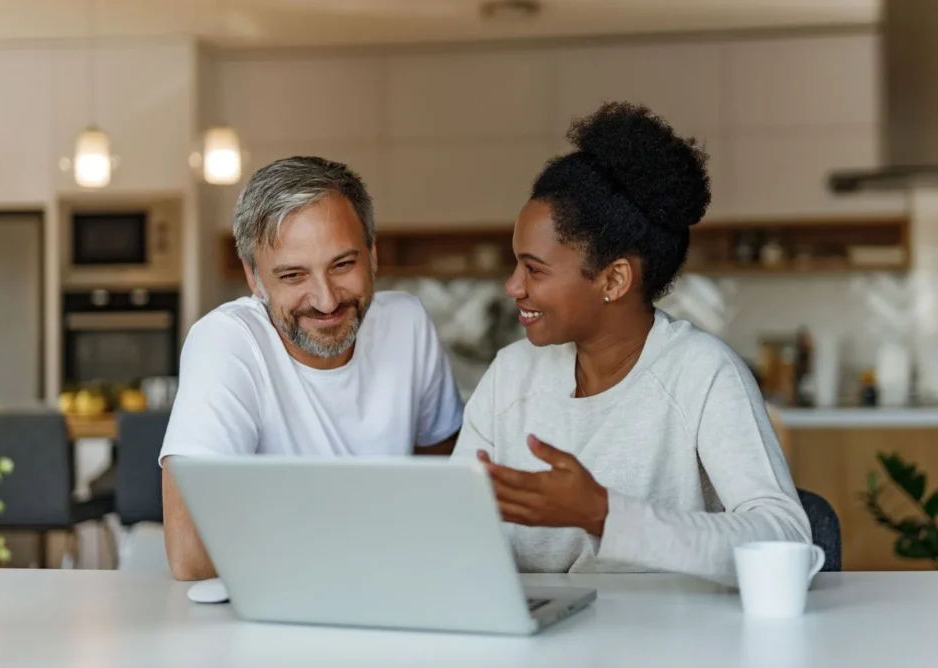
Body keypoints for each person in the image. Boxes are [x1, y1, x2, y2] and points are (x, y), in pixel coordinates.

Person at [451, 102, 811, 586]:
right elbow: (455, 531)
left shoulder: (702, 374)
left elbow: (785, 539)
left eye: (533, 269)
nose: (512, 286)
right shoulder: (511, 374)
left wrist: (605, 515)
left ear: (614, 278)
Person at [160, 156, 464, 581]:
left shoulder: (407, 323)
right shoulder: (226, 342)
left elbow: (446, 490)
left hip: (392, 595)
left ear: (372, 255)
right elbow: (191, 554)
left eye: (343, 265)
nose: (325, 300)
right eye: (292, 276)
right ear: (253, 277)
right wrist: (385, 536)